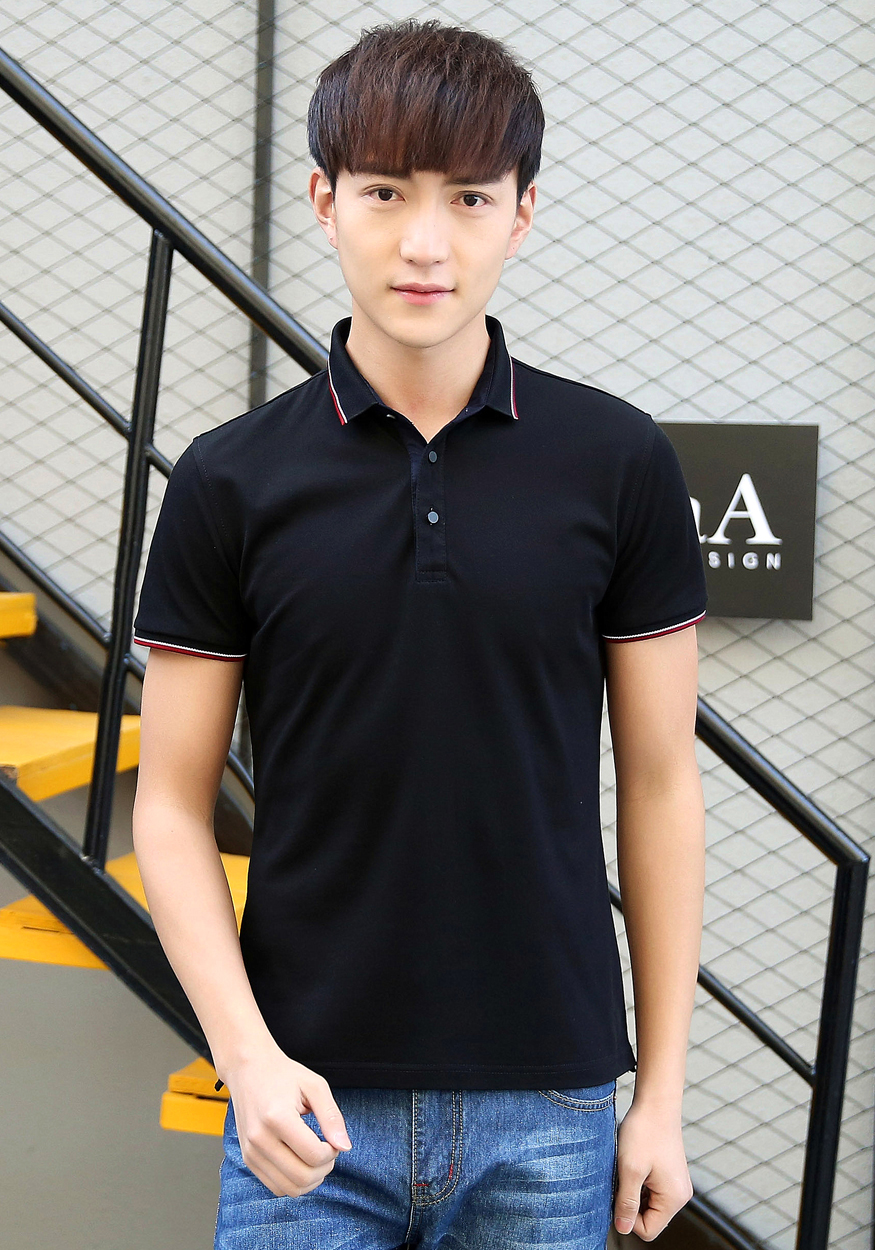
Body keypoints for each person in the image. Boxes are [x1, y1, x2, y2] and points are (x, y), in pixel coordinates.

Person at [132, 16, 706, 1249]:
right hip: (303, 1100)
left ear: (523, 213)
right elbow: (169, 804)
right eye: (386, 192)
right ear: (325, 201)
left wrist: (659, 1092)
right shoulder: (230, 481)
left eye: (470, 197)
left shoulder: (616, 462)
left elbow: (661, 783)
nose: (425, 241)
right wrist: (244, 1054)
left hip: (549, 1104)